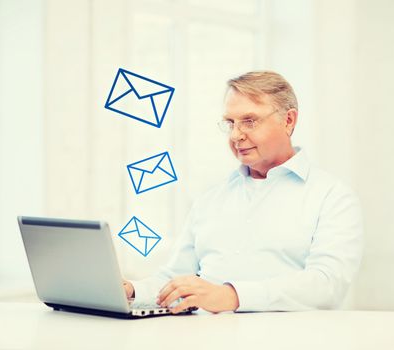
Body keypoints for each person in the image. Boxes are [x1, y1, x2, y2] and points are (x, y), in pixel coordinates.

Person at [123, 71, 363, 313]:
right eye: (230, 123)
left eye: (249, 121)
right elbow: (176, 278)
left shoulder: (332, 197)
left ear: (288, 121)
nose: (236, 135)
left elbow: (327, 284)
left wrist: (234, 296)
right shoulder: (210, 200)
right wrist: (132, 291)